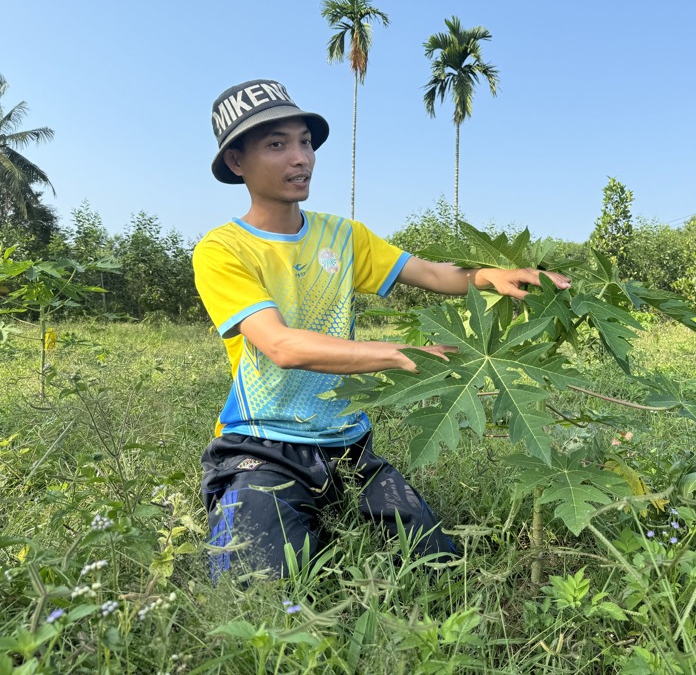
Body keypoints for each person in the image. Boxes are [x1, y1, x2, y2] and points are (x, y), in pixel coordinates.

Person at [193, 78, 570, 580]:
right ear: (237, 162)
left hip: (348, 445)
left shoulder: (343, 236)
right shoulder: (223, 249)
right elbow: (280, 345)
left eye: (305, 141)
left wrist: (488, 276)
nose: (300, 158)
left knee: (438, 565)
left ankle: (325, 514)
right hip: (262, 447)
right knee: (255, 584)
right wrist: (395, 353)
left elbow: (432, 273)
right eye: (277, 145)